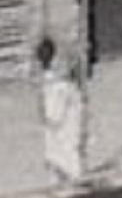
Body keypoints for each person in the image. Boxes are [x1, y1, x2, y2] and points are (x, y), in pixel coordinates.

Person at [34, 32, 92, 187]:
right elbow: (53, 117)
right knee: (69, 172)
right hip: (64, 144)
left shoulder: (55, 84)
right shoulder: (58, 87)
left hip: (64, 142)